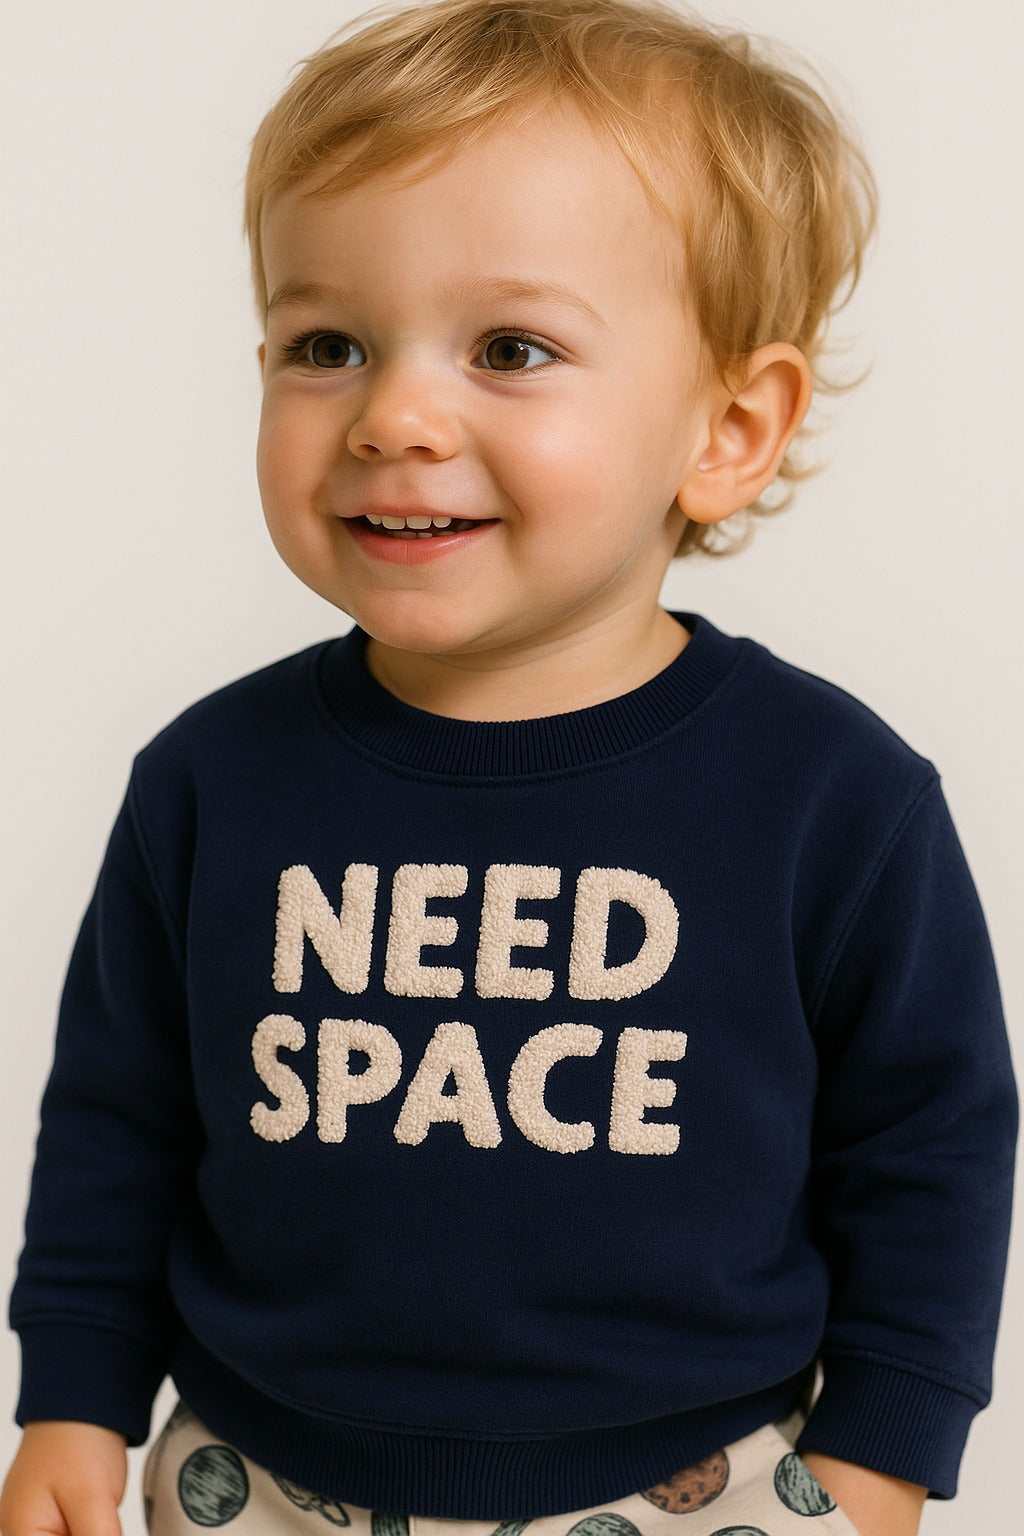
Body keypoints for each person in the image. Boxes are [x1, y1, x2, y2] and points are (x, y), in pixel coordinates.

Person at [0, 2, 1016, 1534]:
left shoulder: (832, 799)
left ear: (730, 428)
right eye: (328, 345)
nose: (395, 417)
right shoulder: (209, 780)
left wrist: (885, 1448)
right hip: (260, 1478)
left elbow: (930, 1141)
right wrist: (75, 1395)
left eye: (511, 349)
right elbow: (118, 1121)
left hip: (701, 1482)